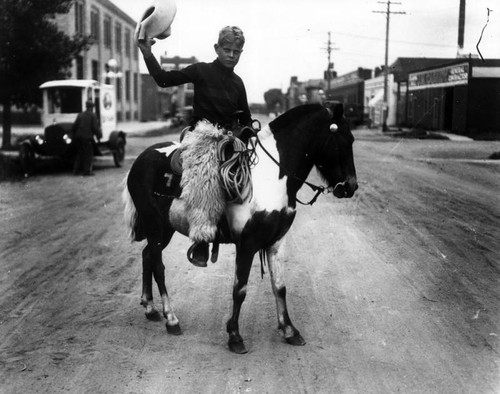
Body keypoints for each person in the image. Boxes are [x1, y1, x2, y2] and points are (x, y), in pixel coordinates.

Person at [137, 26, 252, 267]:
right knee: (206, 177)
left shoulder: (239, 83)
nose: (232, 55)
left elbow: (247, 119)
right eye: (227, 49)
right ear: (217, 49)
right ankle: (201, 239)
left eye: (237, 51)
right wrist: (147, 53)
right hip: (202, 136)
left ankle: (245, 227)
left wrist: (247, 131)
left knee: (247, 172)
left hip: (230, 139)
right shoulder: (201, 71)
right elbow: (163, 79)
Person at [71, 99, 102, 176]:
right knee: (88, 154)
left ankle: (75, 171)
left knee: (80, 153)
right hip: (87, 138)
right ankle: (86, 171)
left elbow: (74, 126)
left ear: (86, 106)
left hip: (78, 137)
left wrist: (74, 136)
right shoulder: (93, 115)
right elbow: (95, 128)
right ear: (92, 107)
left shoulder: (80, 115)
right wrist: (99, 136)